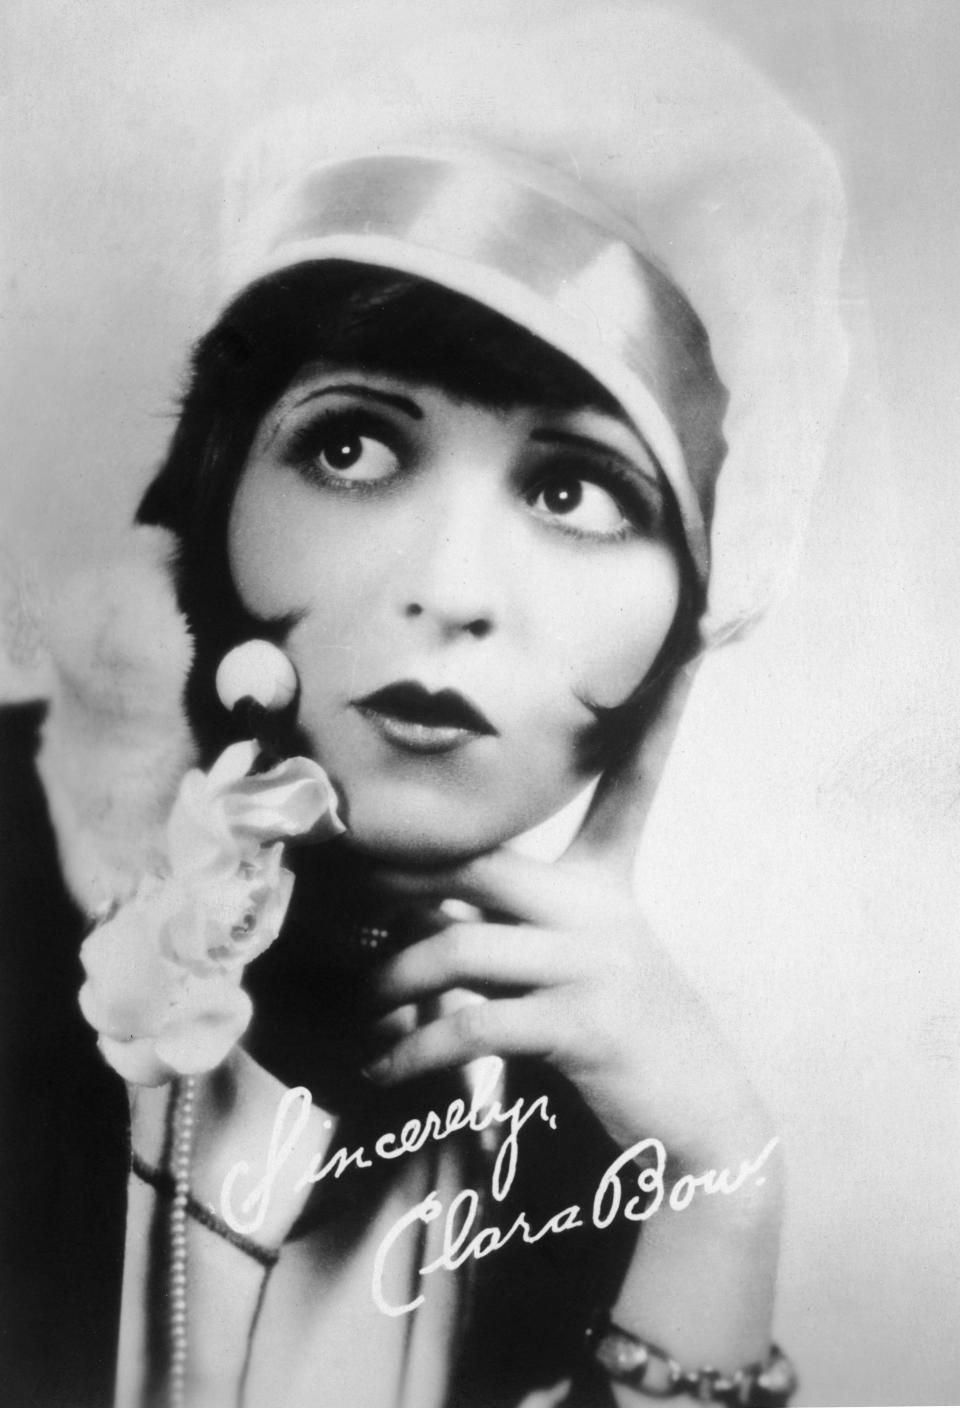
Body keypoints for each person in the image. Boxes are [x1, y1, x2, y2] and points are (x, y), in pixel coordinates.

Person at [0, 10, 846, 1407]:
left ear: (689, 628)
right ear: (213, 498)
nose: (451, 588)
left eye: (575, 492)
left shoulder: (589, 1117)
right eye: (349, 445)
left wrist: (717, 1195)